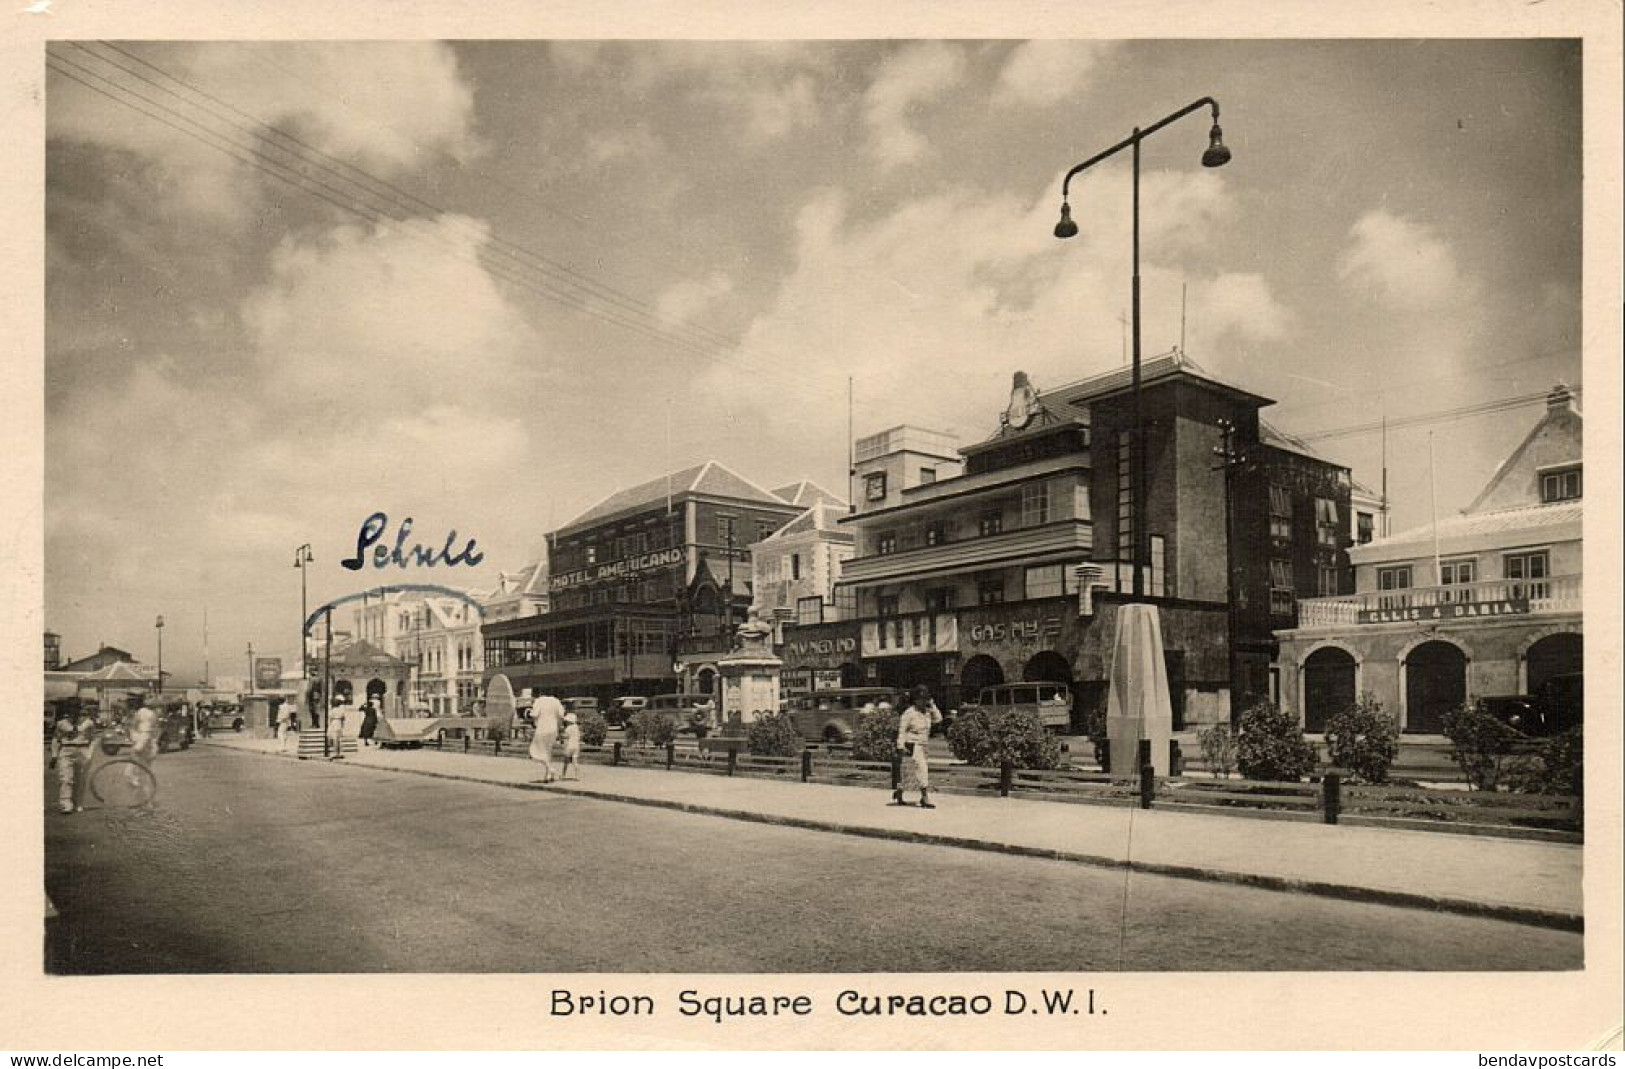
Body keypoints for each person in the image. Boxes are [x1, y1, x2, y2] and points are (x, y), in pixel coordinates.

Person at [893, 685, 942, 809]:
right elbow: (902, 730)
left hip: (924, 745)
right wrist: (900, 746)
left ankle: (899, 792)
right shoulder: (909, 713)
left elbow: (938, 719)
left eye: (926, 698)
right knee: (922, 769)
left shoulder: (927, 712)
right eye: (921, 699)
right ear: (915, 700)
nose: (924, 701)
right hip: (912, 745)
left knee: (909, 773)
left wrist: (933, 705)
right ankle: (925, 797)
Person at [50, 705, 98, 814]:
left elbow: (93, 739)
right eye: (72, 711)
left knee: (80, 779)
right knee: (66, 778)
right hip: (66, 749)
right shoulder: (62, 723)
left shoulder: (88, 723)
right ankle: (66, 805)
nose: (75, 713)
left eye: (78, 710)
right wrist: (54, 755)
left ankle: (78, 803)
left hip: (83, 750)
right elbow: (56, 739)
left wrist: (90, 754)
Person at [528, 694, 563, 782]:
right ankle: (548, 775)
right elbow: (561, 716)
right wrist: (559, 728)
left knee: (535, 750)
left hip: (542, 728)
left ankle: (550, 769)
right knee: (548, 751)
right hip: (553, 728)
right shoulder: (556, 701)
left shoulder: (539, 701)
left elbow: (534, 714)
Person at [127, 700, 161, 767]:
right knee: (140, 749)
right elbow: (156, 726)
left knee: (149, 751)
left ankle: (141, 765)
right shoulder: (148, 713)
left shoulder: (143, 712)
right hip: (144, 734)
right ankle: (137, 764)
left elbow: (134, 723)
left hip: (145, 734)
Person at [559, 710, 582, 781]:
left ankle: (563, 775)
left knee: (566, 762)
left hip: (569, 745)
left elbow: (566, 737)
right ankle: (577, 775)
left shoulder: (568, 729)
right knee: (575, 761)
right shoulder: (577, 728)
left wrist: (561, 736)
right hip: (576, 745)